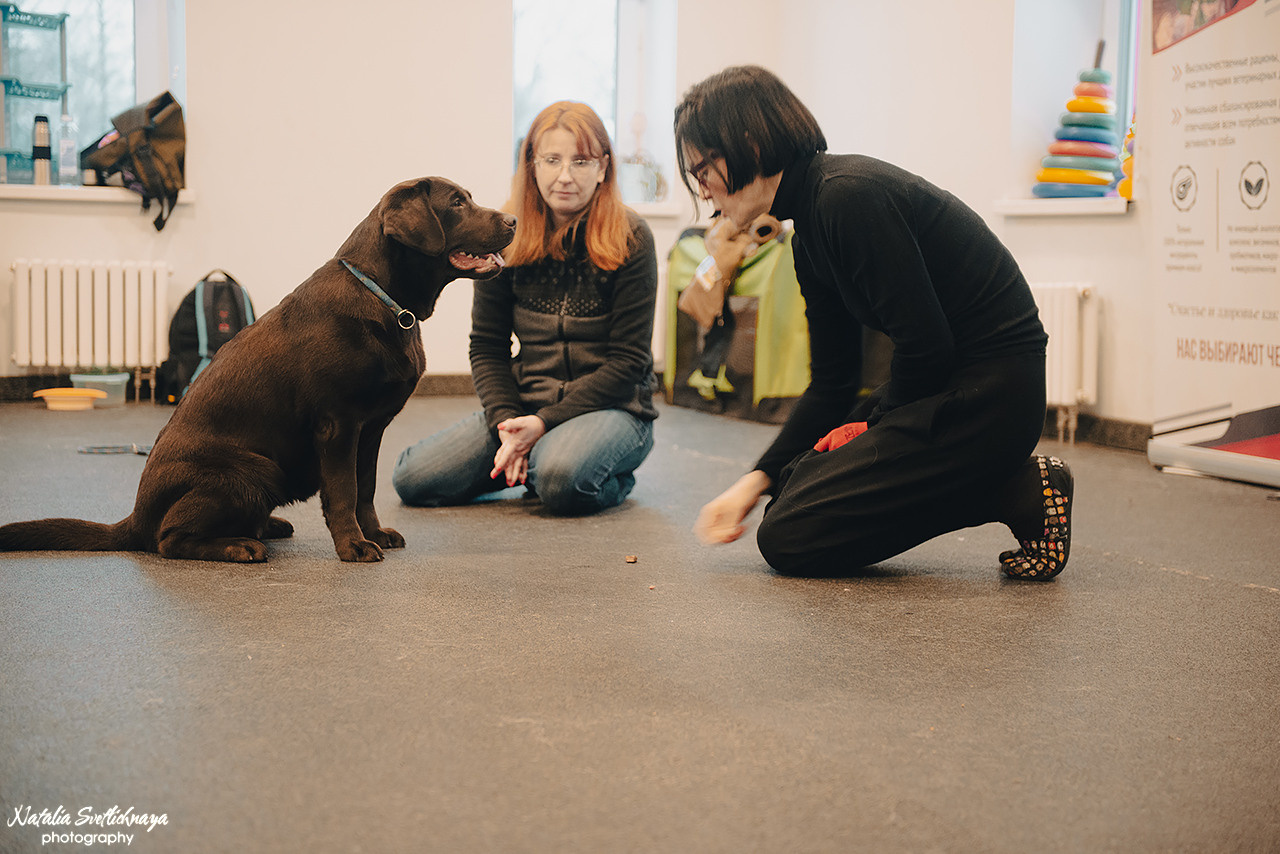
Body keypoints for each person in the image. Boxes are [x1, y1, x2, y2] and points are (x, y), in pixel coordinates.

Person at [676, 66, 1074, 580]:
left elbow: (927, 349)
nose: (704, 192)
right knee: (793, 486)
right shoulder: (808, 236)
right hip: (946, 385)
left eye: (703, 171)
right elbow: (833, 382)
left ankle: (1014, 489)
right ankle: (999, 482)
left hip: (991, 398)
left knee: (790, 536)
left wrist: (869, 425)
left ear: (749, 144)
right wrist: (755, 481)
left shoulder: (847, 197)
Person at [392, 101, 658, 515]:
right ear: (532, 164)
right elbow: (487, 346)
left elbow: (629, 362)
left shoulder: (633, 237)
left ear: (604, 167)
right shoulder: (502, 234)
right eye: (552, 159)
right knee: (413, 478)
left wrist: (545, 423)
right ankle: (537, 458)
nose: (565, 175)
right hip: (525, 405)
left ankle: (594, 473)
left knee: (559, 479)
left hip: (616, 409)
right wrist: (509, 421)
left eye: (581, 161)